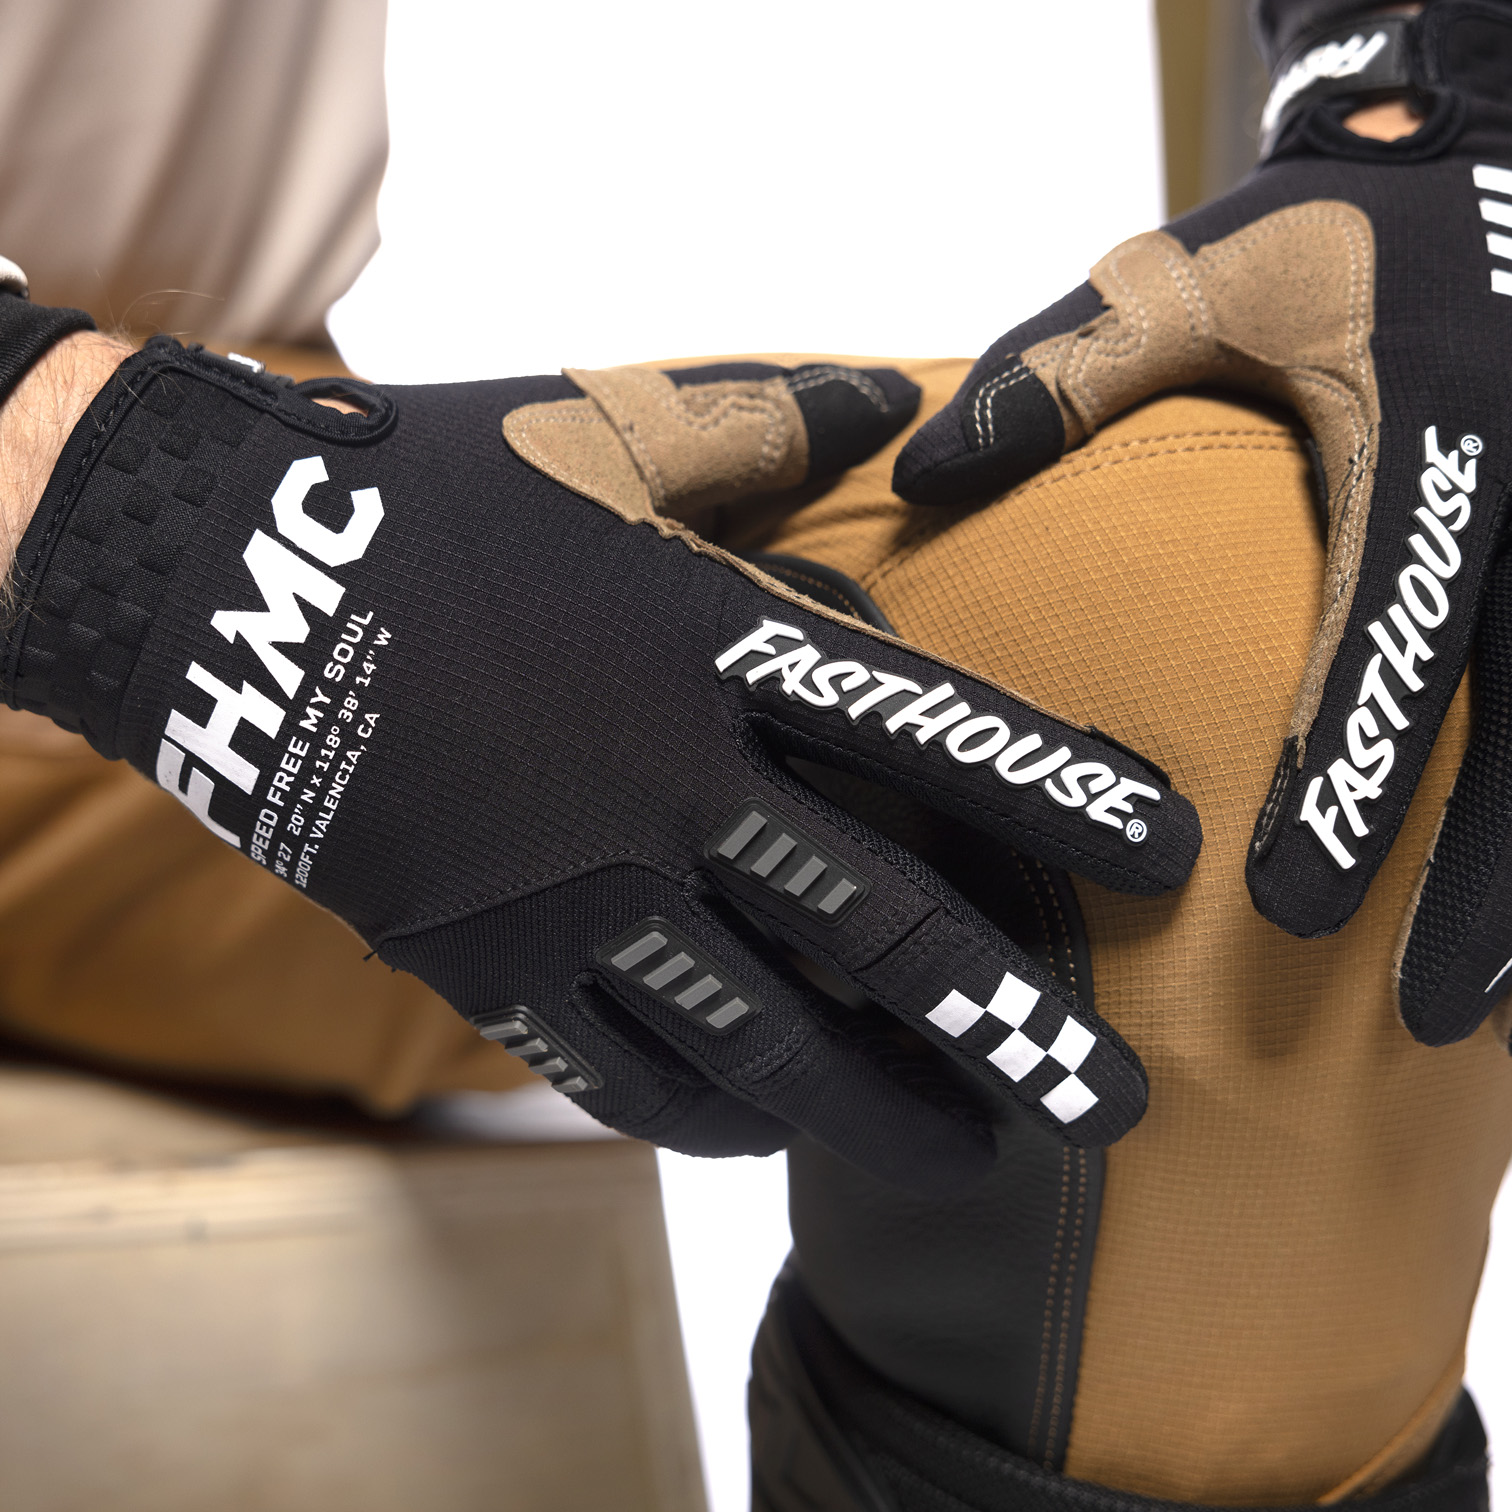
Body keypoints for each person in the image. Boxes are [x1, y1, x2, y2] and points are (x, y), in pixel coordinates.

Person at [0, 1, 1509, 1509]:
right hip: (52, 524)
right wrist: (141, 534)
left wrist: (1438, 88)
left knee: (1244, 597)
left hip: (183, 396)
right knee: (1171, 714)